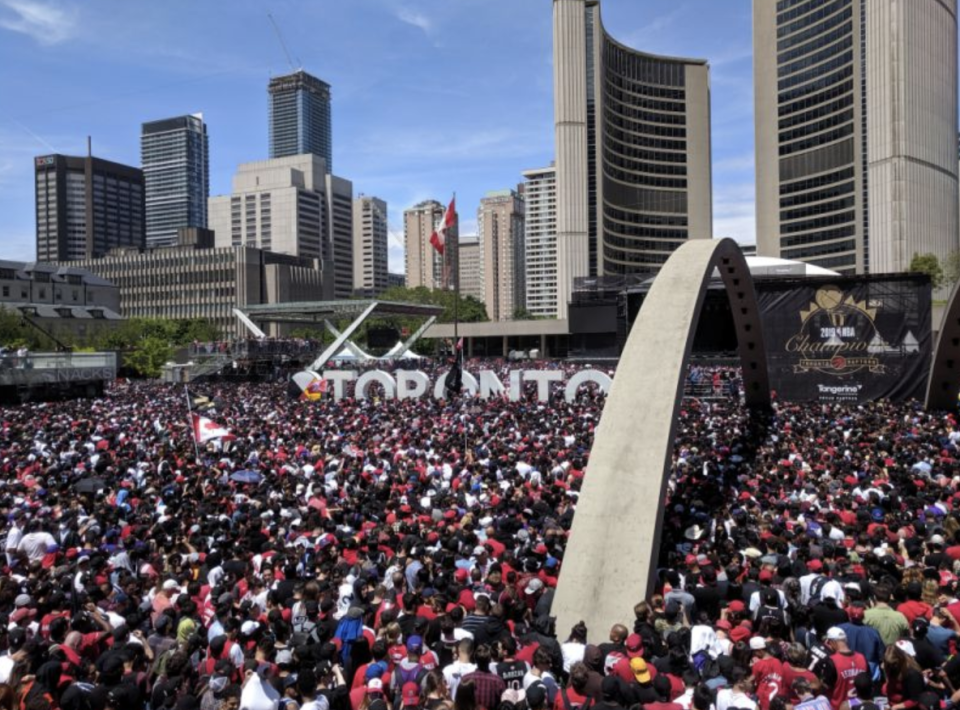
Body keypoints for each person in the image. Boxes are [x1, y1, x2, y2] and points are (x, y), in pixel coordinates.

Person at [825, 628, 867, 710]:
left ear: (832, 642)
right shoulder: (862, 658)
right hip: (860, 706)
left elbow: (826, 687)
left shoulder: (831, 661)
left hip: (839, 707)